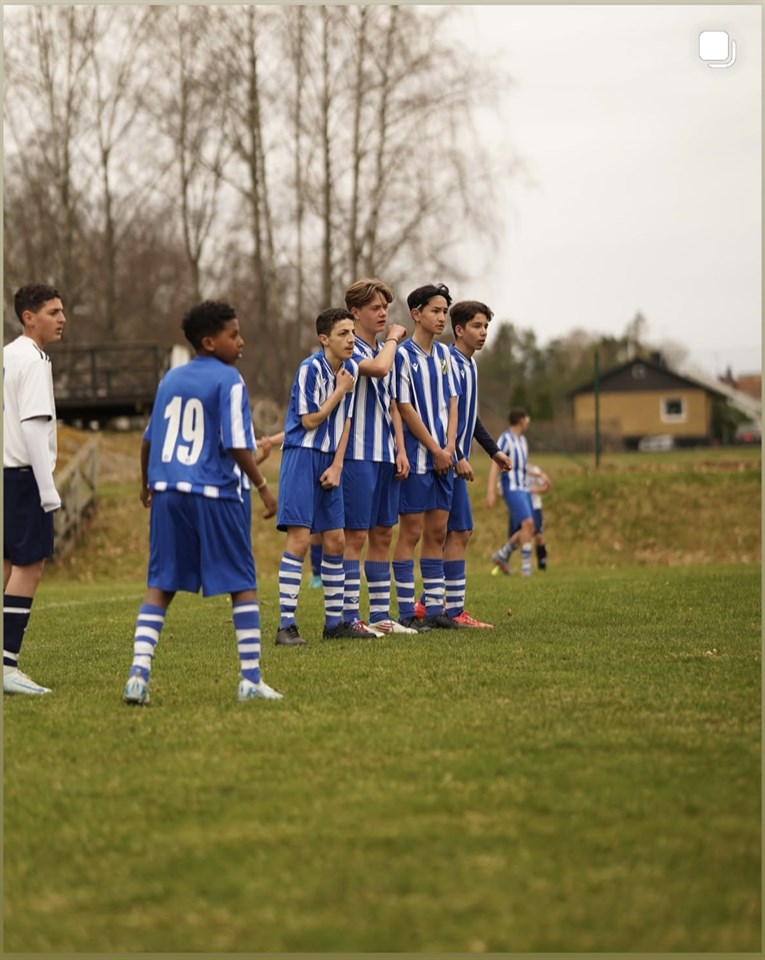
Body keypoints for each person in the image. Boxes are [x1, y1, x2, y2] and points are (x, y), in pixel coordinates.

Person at [122, 300, 281, 705]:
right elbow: (235, 443)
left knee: (161, 584)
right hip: (216, 494)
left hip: (168, 493)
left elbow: (148, 440)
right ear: (209, 342)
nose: (241, 342)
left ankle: (138, 675)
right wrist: (263, 485)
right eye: (233, 334)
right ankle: (251, 679)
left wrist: (145, 484)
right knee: (242, 583)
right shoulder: (229, 380)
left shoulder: (170, 379)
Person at [275, 307, 374, 645]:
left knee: (336, 540)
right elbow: (309, 421)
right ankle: (285, 625)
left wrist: (338, 465)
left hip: (329, 460)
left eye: (352, 333)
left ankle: (334, 624)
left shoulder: (351, 370)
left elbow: (346, 422)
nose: (351, 339)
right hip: (301, 456)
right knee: (300, 539)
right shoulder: (310, 369)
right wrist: (340, 391)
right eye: (343, 334)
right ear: (324, 339)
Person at [341, 278, 417, 636]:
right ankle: (347, 616)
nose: (384, 313)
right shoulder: (350, 347)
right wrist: (392, 340)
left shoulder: (390, 351)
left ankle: (380, 616)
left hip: (386, 455)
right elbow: (379, 368)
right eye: (375, 307)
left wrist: (401, 449)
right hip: (356, 455)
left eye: (386, 307)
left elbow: (394, 404)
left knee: (383, 533)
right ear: (356, 312)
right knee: (355, 536)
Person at [3, 284, 66, 695]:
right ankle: (7, 667)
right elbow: (33, 427)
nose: (62, 319)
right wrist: (48, 490)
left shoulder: (6, 355)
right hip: (24, 477)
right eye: (53, 312)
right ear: (29, 317)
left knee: (7, 566)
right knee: (29, 568)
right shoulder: (33, 359)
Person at [392, 283, 461, 631]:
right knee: (412, 532)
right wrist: (434, 449)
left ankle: (434, 610)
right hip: (419, 458)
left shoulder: (446, 354)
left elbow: (453, 402)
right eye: (435, 310)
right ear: (416, 314)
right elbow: (404, 407)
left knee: (438, 532)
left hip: (444, 459)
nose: (442, 317)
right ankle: (407, 612)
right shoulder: (402, 356)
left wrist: (448, 448)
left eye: (445, 311)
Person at [439, 300, 512, 627]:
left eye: (486, 327)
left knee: (456, 531)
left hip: (456, 460)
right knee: (452, 531)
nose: (483, 333)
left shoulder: (471, 365)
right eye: (477, 326)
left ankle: (435, 604)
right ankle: (450, 610)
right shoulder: (448, 362)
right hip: (444, 461)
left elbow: (470, 417)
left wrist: (494, 451)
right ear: (459, 329)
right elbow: (441, 415)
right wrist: (458, 456)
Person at [487, 408, 535, 576]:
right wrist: (491, 491)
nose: (527, 422)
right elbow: (495, 463)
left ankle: (502, 555)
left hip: (524, 488)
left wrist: (538, 474)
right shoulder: (505, 438)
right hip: (512, 489)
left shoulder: (522, 440)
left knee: (528, 527)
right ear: (521, 420)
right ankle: (526, 568)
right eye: (526, 419)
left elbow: (522, 466)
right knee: (528, 524)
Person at [490, 462, 552, 574]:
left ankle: (538, 564)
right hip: (518, 507)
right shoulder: (512, 472)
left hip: (534, 507)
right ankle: (504, 559)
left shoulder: (533, 470)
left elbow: (548, 485)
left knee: (536, 534)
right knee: (518, 534)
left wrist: (536, 484)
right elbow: (501, 488)